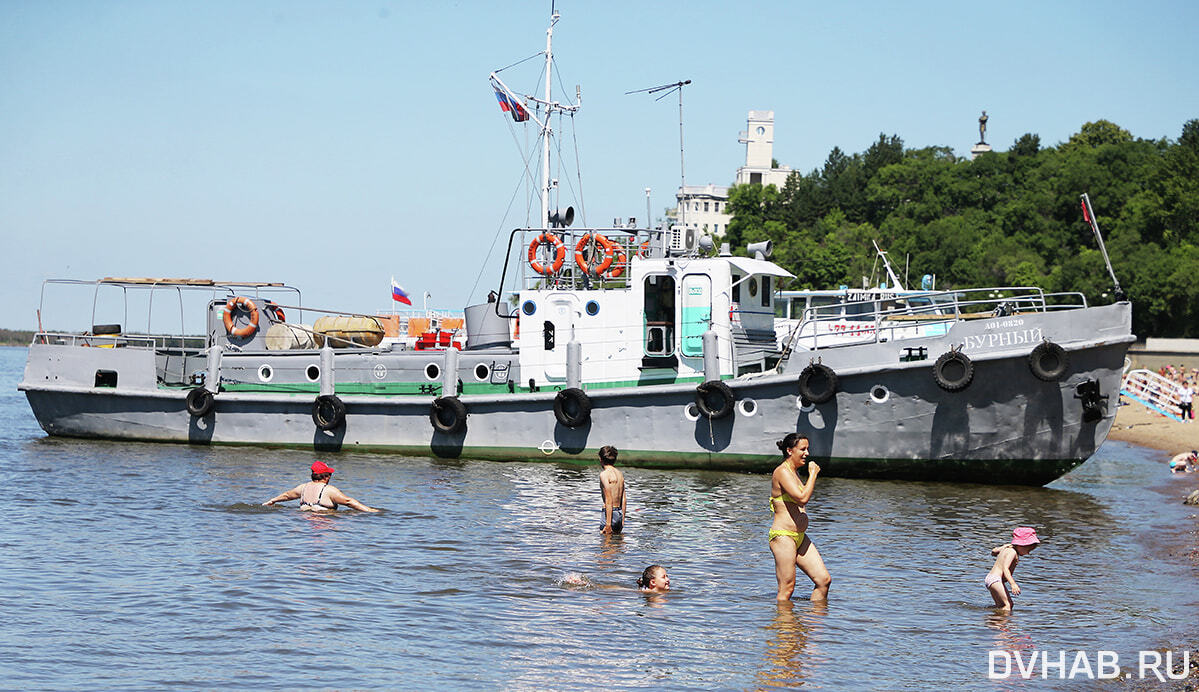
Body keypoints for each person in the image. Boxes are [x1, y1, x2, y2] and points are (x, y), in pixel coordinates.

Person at [769, 433, 831, 602]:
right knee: (787, 588)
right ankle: (784, 627)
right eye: (802, 449)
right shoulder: (782, 472)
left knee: (823, 581)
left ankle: (813, 626)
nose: (807, 453)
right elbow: (802, 498)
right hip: (784, 536)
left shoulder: (793, 472)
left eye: (807, 449)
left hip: (800, 537)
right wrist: (813, 475)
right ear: (789, 451)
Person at [263, 461, 379, 512]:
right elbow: (349, 502)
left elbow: (287, 495)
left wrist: (272, 501)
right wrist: (370, 511)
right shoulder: (329, 490)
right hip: (323, 520)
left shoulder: (303, 487)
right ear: (326, 476)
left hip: (304, 521)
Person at [985, 527, 1040, 612]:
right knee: (1008, 605)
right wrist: (1013, 584)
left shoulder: (1007, 548)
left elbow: (993, 551)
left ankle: (992, 618)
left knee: (1000, 605)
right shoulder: (1012, 552)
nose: (1028, 553)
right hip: (996, 580)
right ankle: (1002, 623)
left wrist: (1002, 547)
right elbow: (1005, 568)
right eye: (1028, 549)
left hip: (991, 579)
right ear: (1021, 545)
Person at [598, 445, 626, 534]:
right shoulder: (619, 474)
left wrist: (608, 524)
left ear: (600, 459)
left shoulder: (604, 475)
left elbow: (609, 499)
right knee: (617, 545)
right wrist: (622, 520)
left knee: (606, 544)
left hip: (609, 513)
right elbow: (624, 499)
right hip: (619, 512)